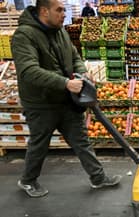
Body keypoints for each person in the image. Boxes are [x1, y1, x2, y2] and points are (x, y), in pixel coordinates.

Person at [11, 0, 121, 198]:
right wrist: (65, 83)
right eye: (59, 10)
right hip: (41, 102)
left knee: (81, 140)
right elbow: (28, 70)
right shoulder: (24, 35)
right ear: (44, 11)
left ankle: (98, 177)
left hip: (65, 99)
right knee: (39, 144)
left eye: (65, 9)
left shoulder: (60, 31)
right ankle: (27, 180)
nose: (64, 14)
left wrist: (81, 73)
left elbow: (75, 55)